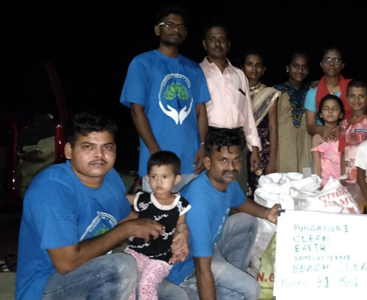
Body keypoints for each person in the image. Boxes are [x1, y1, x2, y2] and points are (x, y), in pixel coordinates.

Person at [16, 112, 188, 300]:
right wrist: (126, 230)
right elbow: (67, 263)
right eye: (88, 147)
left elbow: (126, 217)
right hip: (45, 286)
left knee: (175, 296)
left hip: (95, 274)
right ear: (69, 151)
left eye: (107, 147)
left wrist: (174, 231)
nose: (99, 155)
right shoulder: (52, 189)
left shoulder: (111, 178)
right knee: (120, 267)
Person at [165, 127, 281, 300]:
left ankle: (232, 277)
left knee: (247, 221)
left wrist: (267, 214)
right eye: (223, 160)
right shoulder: (199, 202)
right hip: (185, 270)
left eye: (236, 160)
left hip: (210, 247)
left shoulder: (225, 179)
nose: (231, 167)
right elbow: (202, 267)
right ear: (208, 162)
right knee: (250, 289)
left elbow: (241, 202)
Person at [120, 5, 210, 193]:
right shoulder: (142, 63)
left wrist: (203, 146)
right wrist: (156, 153)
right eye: (170, 24)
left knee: (189, 217)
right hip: (157, 163)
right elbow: (137, 111)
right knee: (156, 219)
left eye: (181, 26)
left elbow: (201, 110)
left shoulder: (194, 68)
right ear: (157, 29)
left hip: (191, 161)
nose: (176, 29)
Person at [199, 22, 262, 195]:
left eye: (222, 40)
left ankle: (235, 221)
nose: (217, 44)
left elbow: (247, 114)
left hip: (237, 138)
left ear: (228, 44)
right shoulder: (197, 72)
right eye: (212, 40)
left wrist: (254, 148)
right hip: (211, 137)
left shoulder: (239, 74)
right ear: (205, 44)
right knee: (210, 189)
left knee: (236, 189)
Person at [124, 151, 191, 300]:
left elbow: (181, 224)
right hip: (136, 251)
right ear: (147, 178)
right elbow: (120, 199)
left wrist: (184, 234)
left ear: (176, 179)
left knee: (146, 284)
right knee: (128, 283)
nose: (158, 182)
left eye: (165, 177)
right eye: (154, 177)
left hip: (160, 258)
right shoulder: (143, 199)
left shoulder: (180, 204)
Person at [241, 49, 280, 196]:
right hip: (239, 144)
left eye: (258, 65)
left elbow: (273, 127)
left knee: (260, 190)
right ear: (242, 67)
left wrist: (272, 160)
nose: (254, 68)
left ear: (263, 70)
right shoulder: (235, 90)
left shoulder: (270, 93)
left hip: (262, 148)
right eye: (250, 64)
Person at [304, 46, 352, 142]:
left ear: (342, 65)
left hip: (349, 143)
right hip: (323, 145)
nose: (331, 63)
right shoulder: (313, 93)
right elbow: (309, 126)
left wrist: (343, 127)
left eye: (336, 60)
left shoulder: (351, 89)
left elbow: (361, 116)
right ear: (321, 64)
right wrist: (319, 129)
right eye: (327, 59)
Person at [274, 51, 311, 173]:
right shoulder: (276, 92)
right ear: (287, 68)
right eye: (296, 66)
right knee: (285, 184)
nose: (300, 70)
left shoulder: (311, 91)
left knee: (306, 182)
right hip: (283, 147)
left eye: (304, 67)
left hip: (306, 147)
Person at [339, 80, 367, 210]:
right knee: (353, 211)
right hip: (350, 179)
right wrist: (343, 177)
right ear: (346, 99)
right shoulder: (343, 125)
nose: (356, 100)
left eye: (361, 96)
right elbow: (342, 152)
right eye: (352, 96)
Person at [312, 95, 345, 186]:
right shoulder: (317, 138)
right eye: (326, 109)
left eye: (335, 109)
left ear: (341, 114)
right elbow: (317, 166)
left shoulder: (345, 133)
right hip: (326, 183)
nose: (330, 112)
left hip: (344, 181)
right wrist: (317, 186)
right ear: (321, 114)